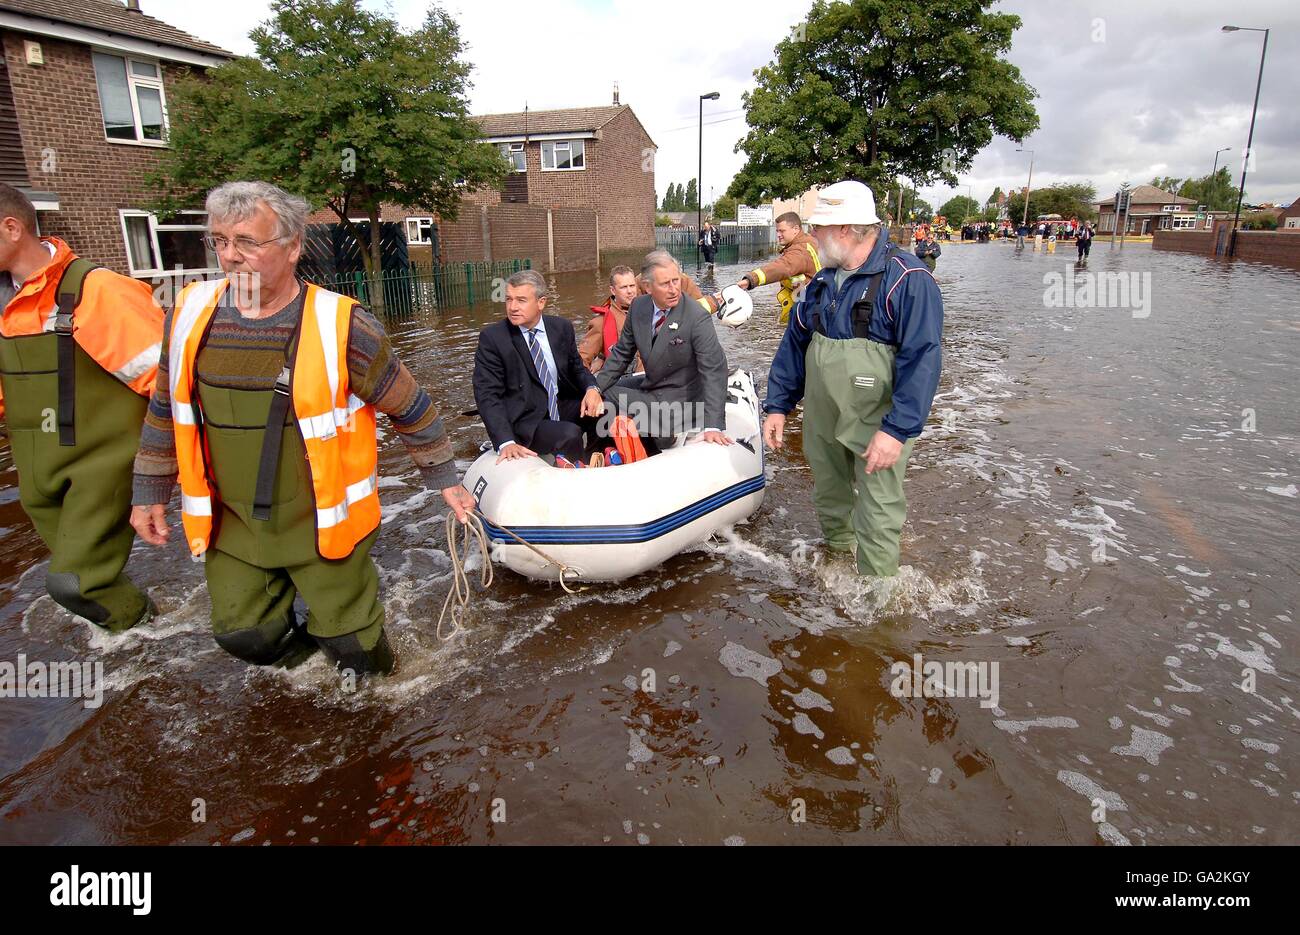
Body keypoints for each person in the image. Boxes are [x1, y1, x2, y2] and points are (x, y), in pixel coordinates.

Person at [130, 181, 475, 676]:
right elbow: (166, 407)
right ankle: (307, 668)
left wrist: (445, 478)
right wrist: (149, 490)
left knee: (355, 649)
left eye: (248, 242)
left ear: (293, 247)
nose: (231, 256)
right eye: (220, 241)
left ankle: (378, 693)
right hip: (232, 520)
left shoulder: (342, 325)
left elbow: (411, 406)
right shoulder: (187, 314)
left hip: (322, 523)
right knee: (244, 635)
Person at [0, 183, 163, 632]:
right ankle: (140, 644)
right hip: (38, 475)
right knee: (86, 582)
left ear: (12, 228)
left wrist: (163, 474)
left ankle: (148, 638)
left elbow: (168, 386)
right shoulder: (3, 304)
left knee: (76, 584)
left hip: (101, 468)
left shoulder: (98, 291)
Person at [763, 180, 943, 578]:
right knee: (829, 491)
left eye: (819, 228)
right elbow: (795, 342)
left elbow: (923, 361)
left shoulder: (910, 279)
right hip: (824, 412)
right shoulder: (822, 280)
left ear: (846, 229)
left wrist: (896, 431)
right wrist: (778, 405)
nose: (813, 236)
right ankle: (838, 557)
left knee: (878, 508)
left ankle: (878, 604)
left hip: (877, 419)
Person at [597, 251, 731, 451]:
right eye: (665, 284)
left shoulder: (696, 316)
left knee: (610, 395)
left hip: (681, 398)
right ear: (648, 287)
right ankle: (610, 449)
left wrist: (713, 425)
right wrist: (594, 389)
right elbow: (622, 353)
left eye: (676, 281)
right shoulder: (638, 307)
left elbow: (714, 369)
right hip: (655, 383)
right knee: (602, 390)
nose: (673, 289)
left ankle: (659, 435)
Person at [474, 269, 604, 464]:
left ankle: (596, 463)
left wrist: (592, 388)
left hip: (559, 405)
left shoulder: (561, 327)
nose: (513, 307)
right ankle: (576, 481)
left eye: (521, 300)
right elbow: (487, 394)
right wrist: (505, 441)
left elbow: (577, 368)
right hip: (525, 419)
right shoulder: (493, 338)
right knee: (569, 434)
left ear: (541, 302)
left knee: (608, 409)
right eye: (509, 299)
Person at [734, 212, 822, 325]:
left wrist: (751, 280)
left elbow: (781, 267)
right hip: (812, 308)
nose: (778, 235)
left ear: (796, 229)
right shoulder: (806, 242)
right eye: (777, 231)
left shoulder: (800, 250)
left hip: (811, 313)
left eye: (782, 231)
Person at [579, 265, 642, 374]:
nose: (630, 291)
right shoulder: (601, 322)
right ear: (613, 290)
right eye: (623, 287)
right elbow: (582, 358)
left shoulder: (648, 310)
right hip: (625, 383)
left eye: (632, 286)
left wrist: (601, 357)